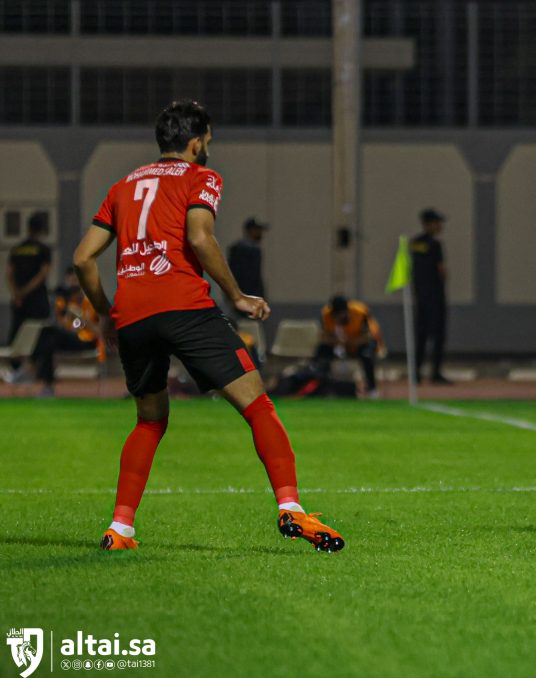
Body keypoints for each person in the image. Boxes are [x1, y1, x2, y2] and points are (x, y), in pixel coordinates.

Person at [72, 100, 344, 552]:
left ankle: (120, 530)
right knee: (258, 407)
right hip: (183, 306)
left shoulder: (122, 186)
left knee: (150, 422)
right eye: (209, 142)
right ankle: (292, 508)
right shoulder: (202, 177)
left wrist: (106, 314)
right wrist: (237, 296)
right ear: (197, 142)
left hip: (134, 315)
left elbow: (83, 258)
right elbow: (200, 236)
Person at [31, 267, 105, 397]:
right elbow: (62, 327)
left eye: (76, 279)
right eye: (70, 279)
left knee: (48, 333)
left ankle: (31, 368)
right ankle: (48, 387)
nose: (73, 283)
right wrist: (67, 316)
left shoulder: (92, 301)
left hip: (87, 341)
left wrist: (80, 316)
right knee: (48, 339)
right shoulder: (63, 302)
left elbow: (100, 332)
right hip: (69, 338)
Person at [5, 211, 51, 376]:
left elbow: (9, 273)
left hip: (19, 302)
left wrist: (17, 293)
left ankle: (16, 370)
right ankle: (34, 370)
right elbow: (42, 275)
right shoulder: (43, 249)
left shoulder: (17, 249)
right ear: (41, 229)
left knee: (17, 335)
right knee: (39, 336)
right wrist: (26, 292)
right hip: (37, 301)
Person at [318, 295, 386, 398]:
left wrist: (350, 342)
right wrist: (337, 341)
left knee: (366, 355)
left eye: (339, 314)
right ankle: (321, 386)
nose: (336, 318)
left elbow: (368, 336)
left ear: (346, 311)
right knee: (322, 352)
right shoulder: (326, 315)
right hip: (340, 344)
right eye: (335, 314)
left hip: (360, 342)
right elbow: (324, 337)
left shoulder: (360, 312)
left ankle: (372, 389)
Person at [411, 208, 450, 384]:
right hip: (435, 297)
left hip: (420, 296)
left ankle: (416, 372)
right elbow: (441, 271)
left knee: (420, 336)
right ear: (428, 223)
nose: (440, 225)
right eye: (437, 222)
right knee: (438, 336)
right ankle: (435, 373)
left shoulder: (414, 243)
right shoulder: (435, 245)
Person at [227, 217, 267, 299]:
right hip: (246, 296)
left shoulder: (243, 248)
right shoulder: (245, 249)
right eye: (257, 230)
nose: (260, 233)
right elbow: (246, 276)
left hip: (245, 295)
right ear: (251, 230)